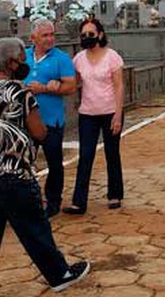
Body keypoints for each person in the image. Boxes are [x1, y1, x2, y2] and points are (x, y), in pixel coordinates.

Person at [0, 38, 90, 296]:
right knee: (34, 227)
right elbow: (39, 131)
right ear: (10, 62)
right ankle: (59, 274)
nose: (24, 64)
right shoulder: (19, 91)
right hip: (13, 173)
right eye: (21, 59)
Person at [63, 19, 125, 215]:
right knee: (86, 155)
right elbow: (75, 81)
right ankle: (79, 202)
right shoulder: (79, 59)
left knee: (111, 153)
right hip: (88, 113)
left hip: (109, 111)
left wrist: (118, 114)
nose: (87, 37)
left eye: (91, 33)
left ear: (99, 34)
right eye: (84, 34)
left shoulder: (112, 57)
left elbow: (119, 86)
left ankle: (114, 194)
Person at [24, 19, 76, 218]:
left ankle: (53, 201)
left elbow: (71, 86)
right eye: (45, 35)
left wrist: (44, 88)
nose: (50, 39)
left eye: (51, 34)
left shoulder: (61, 59)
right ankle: (29, 200)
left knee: (54, 163)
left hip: (51, 121)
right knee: (25, 163)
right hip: (26, 121)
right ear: (33, 38)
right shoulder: (24, 57)